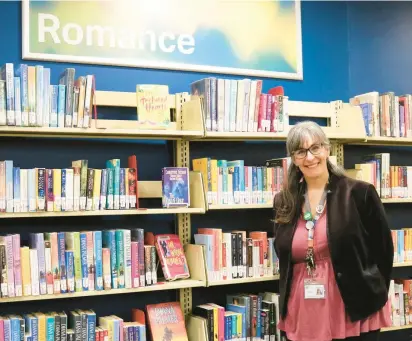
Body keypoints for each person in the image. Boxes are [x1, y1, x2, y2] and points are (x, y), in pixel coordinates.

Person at [273, 121, 394, 341]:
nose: (309, 158)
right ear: (293, 158)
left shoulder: (359, 194)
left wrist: (373, 293)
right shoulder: (285, 201)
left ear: (327, 149)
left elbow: (383, 252)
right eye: (301, 151)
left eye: (315, 148)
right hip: (303, 308)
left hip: (353, 308)